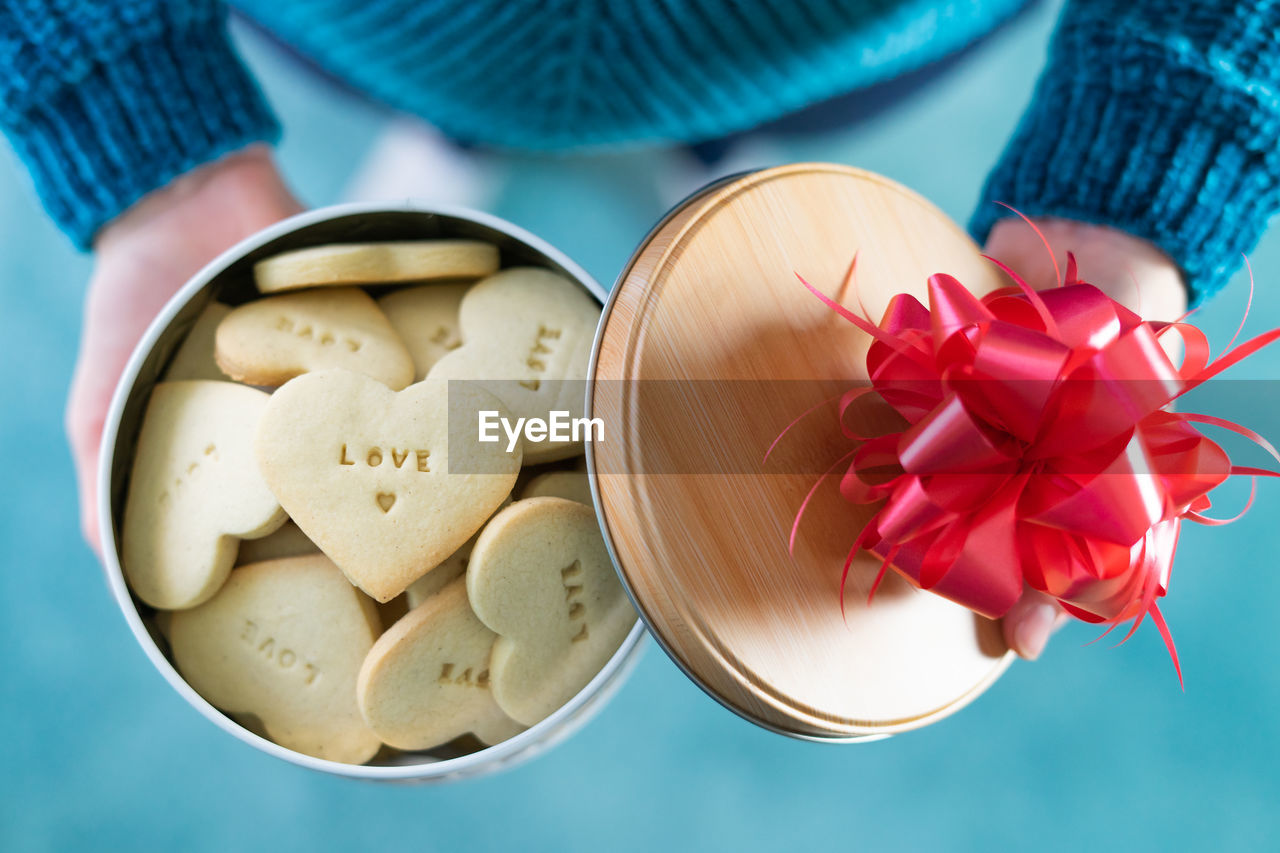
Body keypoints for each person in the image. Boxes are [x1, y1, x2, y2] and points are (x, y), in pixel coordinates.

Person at [0, 0, 1271, 660]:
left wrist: (1128, 190)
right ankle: (467, 126)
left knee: (752, 117)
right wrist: (144, 136)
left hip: (844, 42)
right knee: (458, 87)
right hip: (365, 29)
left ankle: (717, 145)